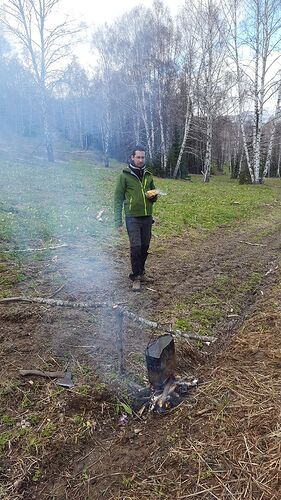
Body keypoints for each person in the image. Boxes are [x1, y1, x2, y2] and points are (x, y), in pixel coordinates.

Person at [114, 146, 158, 291]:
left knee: (145, 247)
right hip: (132, 218)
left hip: (147, 217)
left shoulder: (148, 175)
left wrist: (154, 196)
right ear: (132, 157)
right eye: (138, 157)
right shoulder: (124, 176)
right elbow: (118, 199)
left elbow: (153, 196)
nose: (140, 160)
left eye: (143, 157)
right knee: (136, 248)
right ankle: (136, 277)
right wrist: (118, 222)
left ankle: (142, 272)